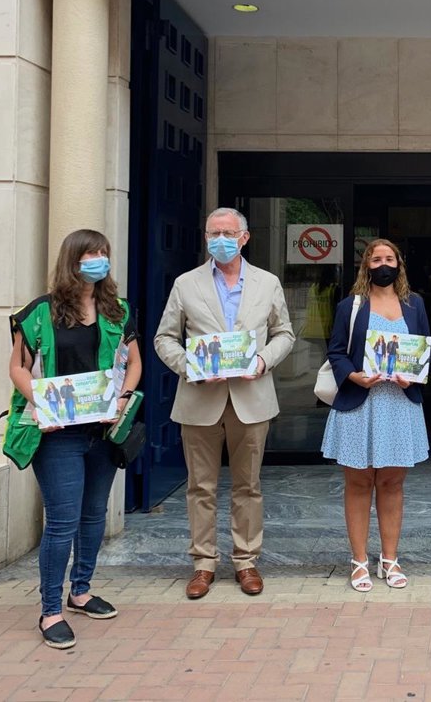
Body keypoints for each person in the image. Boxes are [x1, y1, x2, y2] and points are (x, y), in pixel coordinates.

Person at [2, 229, 142, 650]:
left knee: (94, 514)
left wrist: (122, 398)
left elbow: (133, 364)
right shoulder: (38, 313)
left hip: (102, 433)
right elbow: (18, 367)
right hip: (57, 435)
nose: (98, 260)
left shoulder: (117, 310)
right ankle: (50, 611)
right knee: (62, 522)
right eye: (90, 253)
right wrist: (43, 404)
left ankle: (80, 591)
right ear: (72, 260)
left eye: (103, 253)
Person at [154, 207, 295, 601]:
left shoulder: (267, 283)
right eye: (213, 233)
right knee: (200, 486)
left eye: (228, 233)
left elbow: (284, 333)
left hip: (252, 398)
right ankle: (203, 564)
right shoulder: (186, 283)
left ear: (244, 238)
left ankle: (246, 561)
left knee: (248, 485)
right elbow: (164, 338)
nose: (220, 240)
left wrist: (263, 361)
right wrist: (191, 367)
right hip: (200, 398)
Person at [323, 239, 431, 592]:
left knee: (392, 484)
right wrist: (354, 376)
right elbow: (336, 352)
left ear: (399, 264)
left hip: (399, 405)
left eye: (389, 259)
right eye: (376, 259)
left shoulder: (415, 304)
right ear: (366, 265)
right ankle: (358, 561)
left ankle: (390, 559)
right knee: (358, 484)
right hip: (360, 404)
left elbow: (425, 350)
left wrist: (413, 375)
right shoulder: (350, 306)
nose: (383, 265)